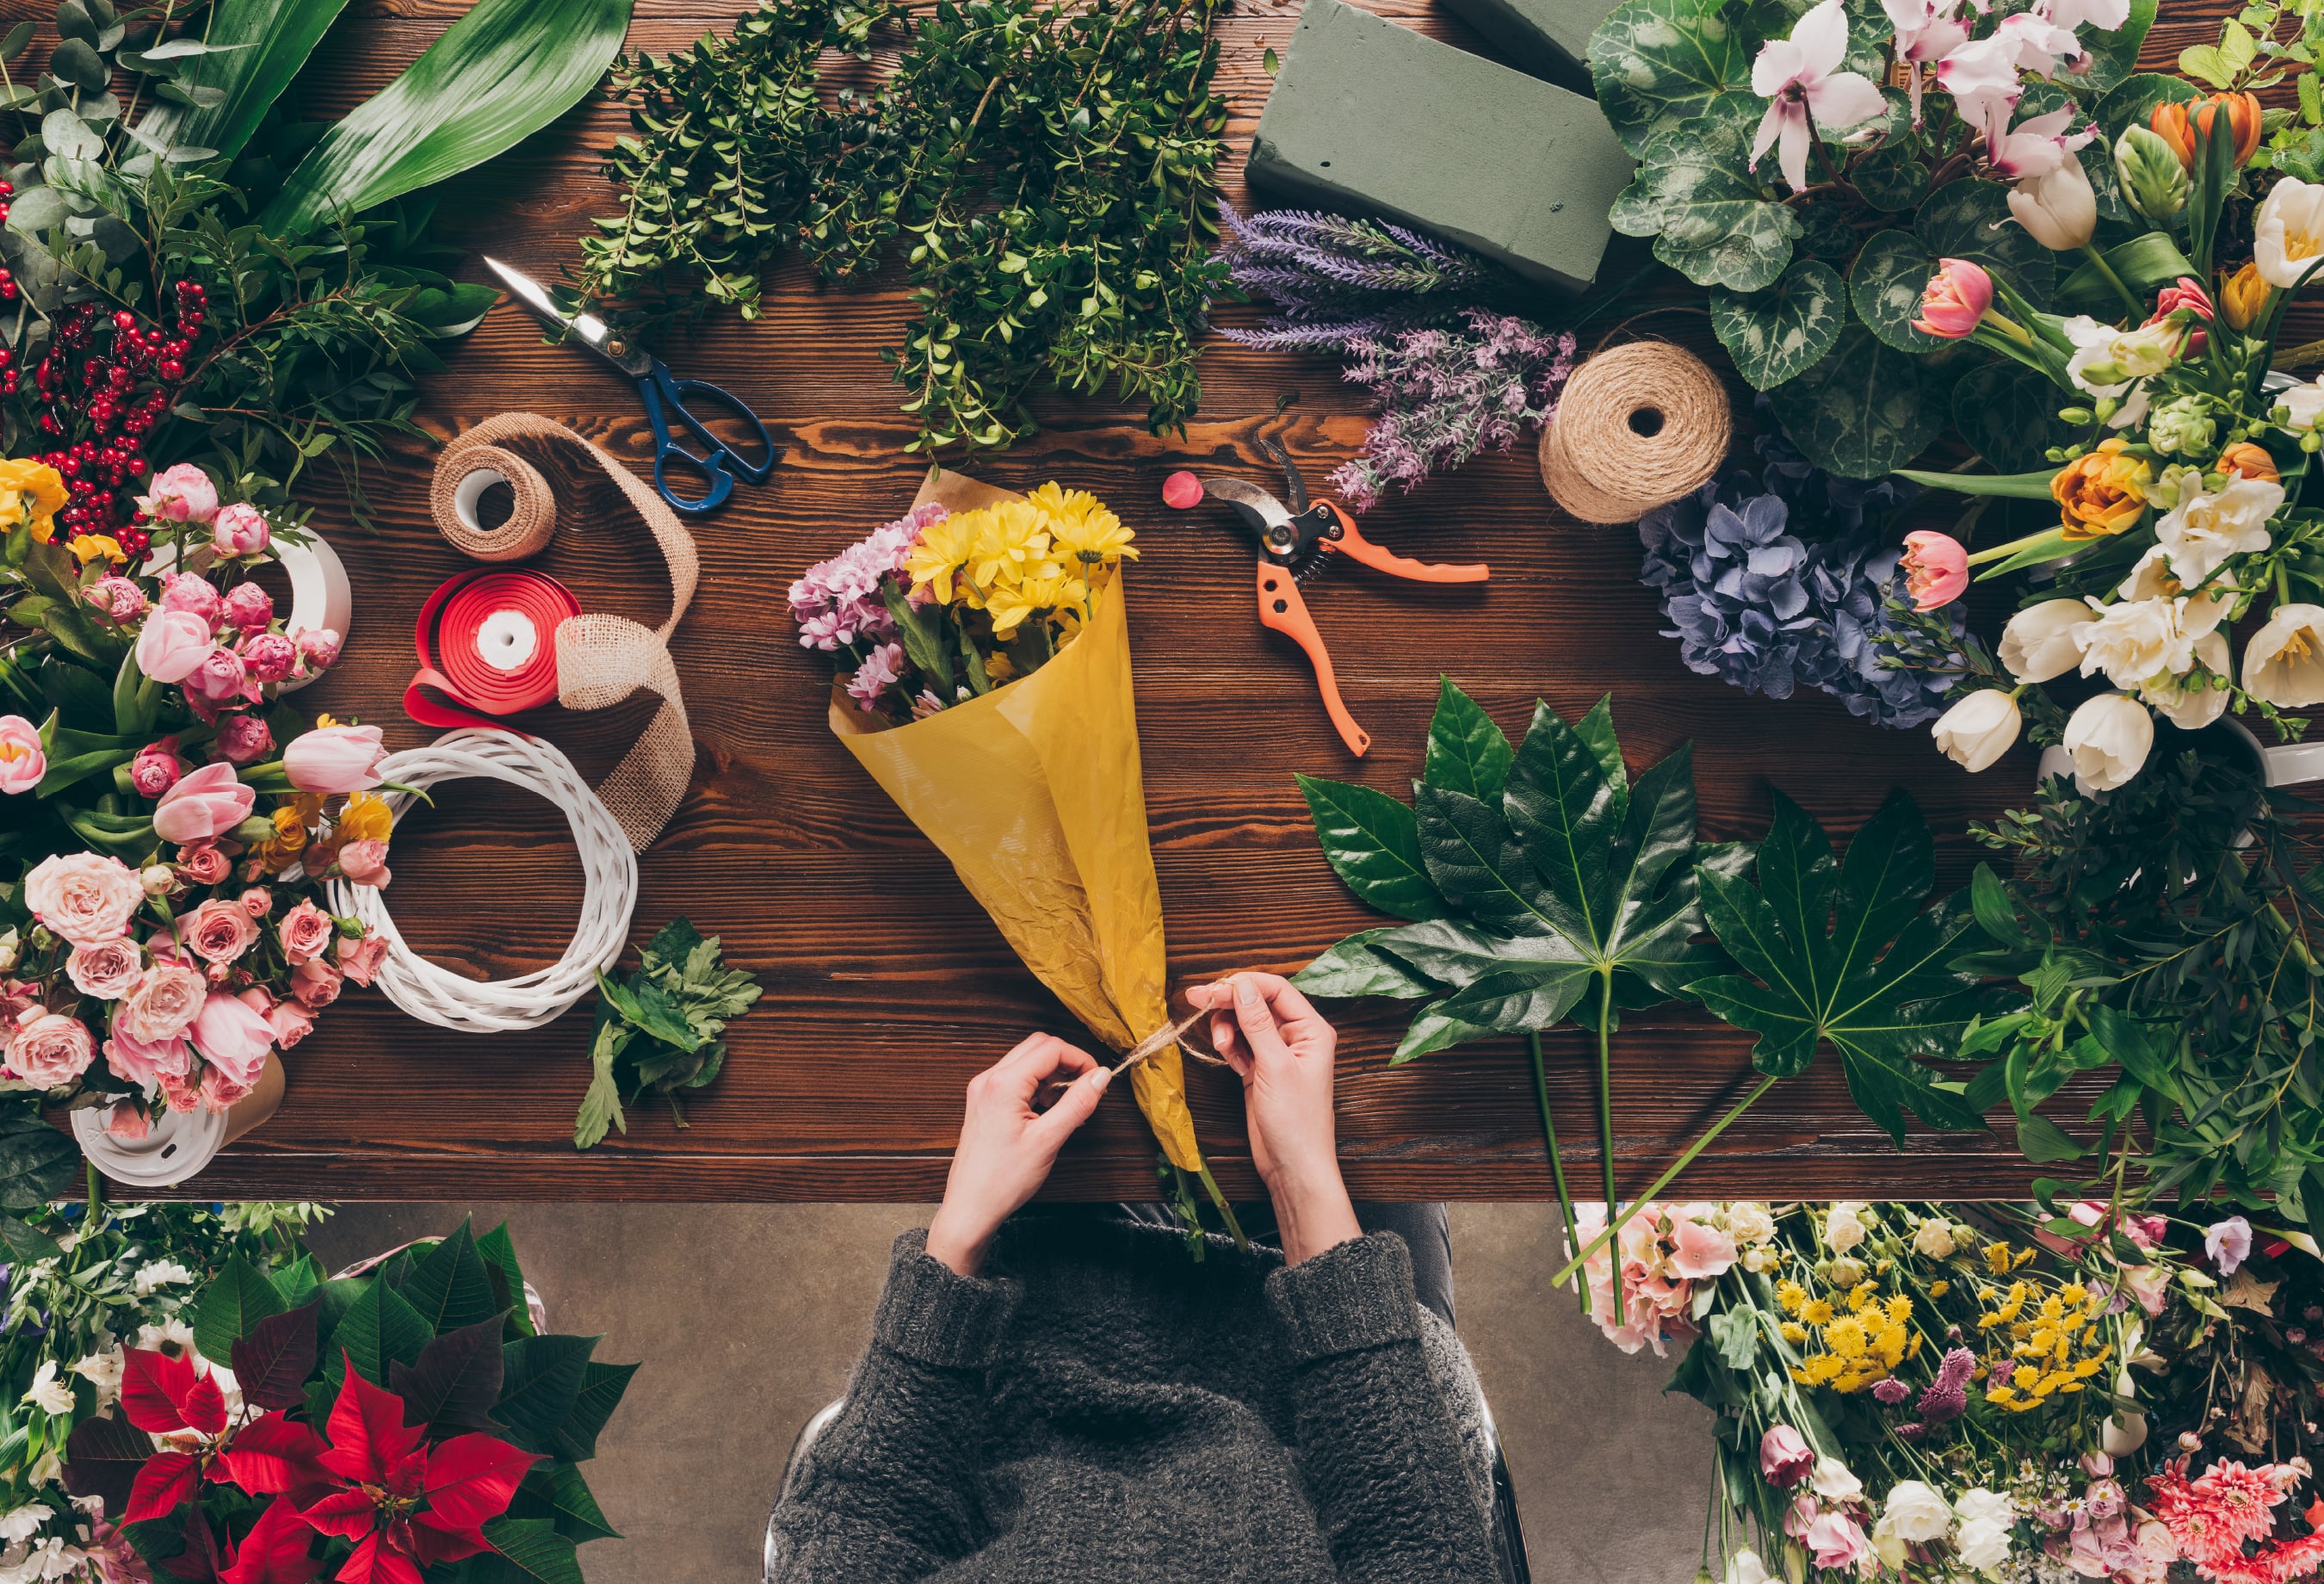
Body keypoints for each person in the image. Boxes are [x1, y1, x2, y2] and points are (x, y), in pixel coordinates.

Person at [765, 972, 1502, 1582]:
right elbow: (1417, 1545)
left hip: (1017, 1362)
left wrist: (961, 1231)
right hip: (1335, 1400)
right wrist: (1300, 1180)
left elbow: (856, 1532)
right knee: (1398, 1104)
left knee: (1036, 1011)